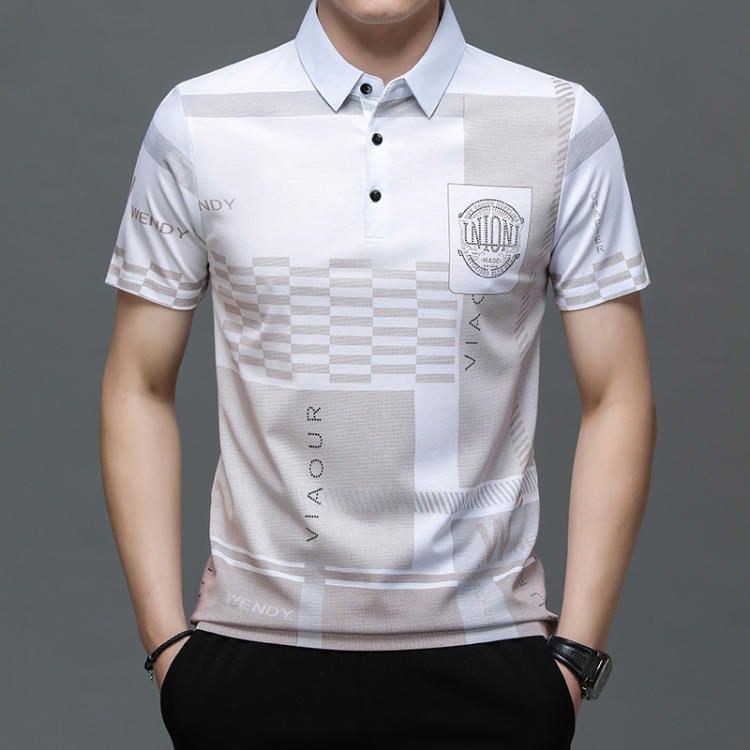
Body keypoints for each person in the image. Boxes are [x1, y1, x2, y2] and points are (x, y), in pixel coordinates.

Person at [100, 0, 657, 747]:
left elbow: (618, 394)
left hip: (491, 665)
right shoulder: (198, 122)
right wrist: (168, 647)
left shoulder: (561, 124)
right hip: (249, 658)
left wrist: (575, 660)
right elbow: (137, 384)